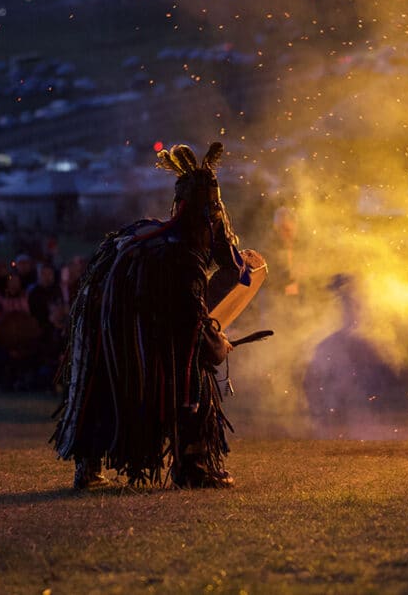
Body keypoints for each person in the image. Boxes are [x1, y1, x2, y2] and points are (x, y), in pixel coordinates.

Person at [52, 143, 261, 489]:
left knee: (102, 385)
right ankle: (192, 466)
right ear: (207, 215)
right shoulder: (181, 257)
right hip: (134, 340)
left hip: (108, 337)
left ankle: (87, 467)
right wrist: (218, 344)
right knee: (193, 377)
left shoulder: (142, 238)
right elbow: (192, 329)